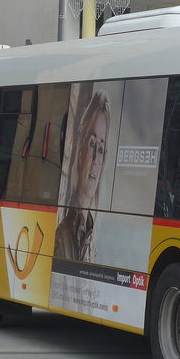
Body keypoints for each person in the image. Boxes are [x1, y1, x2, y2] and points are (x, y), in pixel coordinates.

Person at [55, 86, 111, 263]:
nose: (95, 159)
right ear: (80, 149)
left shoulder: (93, 238)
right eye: (93, 144)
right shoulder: (62, 235)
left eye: (101, 149)